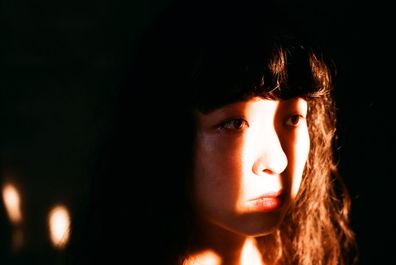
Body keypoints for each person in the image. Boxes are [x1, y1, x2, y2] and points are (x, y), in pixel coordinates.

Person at [66, 1, 358, 264]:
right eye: (234, 124)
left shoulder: (305, 255)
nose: (278, 161)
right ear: (166, 137)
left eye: (293, 119)